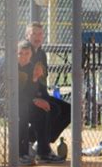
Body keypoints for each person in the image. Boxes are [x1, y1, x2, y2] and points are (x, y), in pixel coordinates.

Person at [0, 40, 46, 166]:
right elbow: (7, 92)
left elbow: (28, 93)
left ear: (31, 54)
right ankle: (18, 154)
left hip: (13, 100)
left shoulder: (30, 66)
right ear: (14, 53)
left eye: (27, 54)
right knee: (21, 108)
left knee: (38, 109)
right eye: (20, 54)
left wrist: (35, 79)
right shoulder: (6, 65)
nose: (23, 57)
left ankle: (38, 150)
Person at [25, 22, 71, 159]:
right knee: (53, 109)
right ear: (27, 36)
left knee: (68, 110)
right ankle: (35, 144)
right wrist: (36, 99)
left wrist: (44, 97)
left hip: (38, 94)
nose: (37, 37)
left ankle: (39, 142)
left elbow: (42, 81)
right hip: (25, 97)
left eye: (40, 34)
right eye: (33, 34)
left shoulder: (42, 54)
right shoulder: (25, 52)